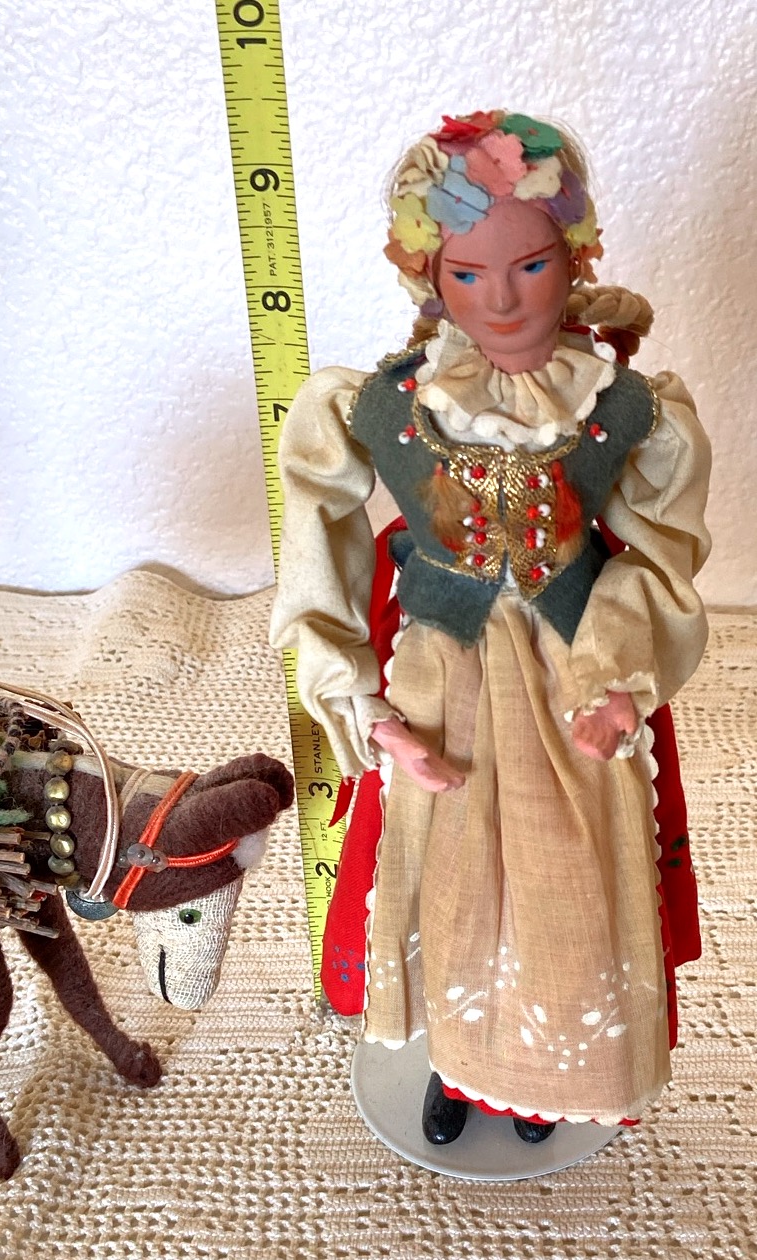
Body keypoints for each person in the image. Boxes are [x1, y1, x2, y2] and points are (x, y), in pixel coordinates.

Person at [270, 111, 710, 1144]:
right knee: (448, 873)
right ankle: (459, 1066)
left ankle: (550, 1064)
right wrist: (358, 701)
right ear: (429, 276)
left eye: (531, 265)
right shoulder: (380, 405)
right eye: (467, 274)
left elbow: (660, 552)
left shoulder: (624, 407)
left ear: (575, 254)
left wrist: (617, 677)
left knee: (569, 878)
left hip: (573, 670)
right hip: (440, 671)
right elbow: (317, 539)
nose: (502, 300)